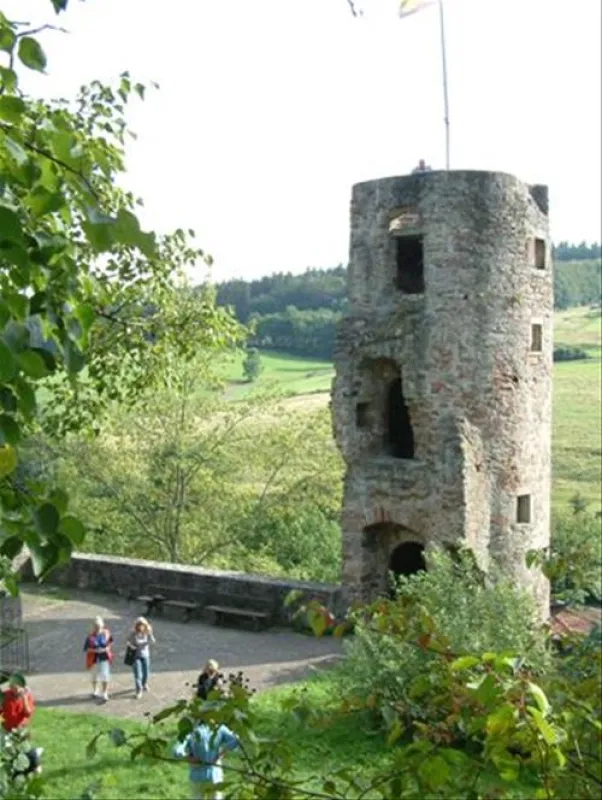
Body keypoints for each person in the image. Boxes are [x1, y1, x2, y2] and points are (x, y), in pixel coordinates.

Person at [173, 720, 238, 800]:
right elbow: (235, 740)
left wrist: (188, 757)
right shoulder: (219, 728)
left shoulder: (190, 730)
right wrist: (221, 752)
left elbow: (176, 751)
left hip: (197, 775)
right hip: (215, 775)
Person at [0, 673, 43, 776]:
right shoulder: (6, 696)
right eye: (12, 687)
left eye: (17, 687)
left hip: (20, 730)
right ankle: (14, 773)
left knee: (26, 749)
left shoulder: (26, 697)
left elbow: (27, 713)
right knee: (9, 752)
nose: (15, 690)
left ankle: (36, 765)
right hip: (7, 729)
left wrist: (24, 699)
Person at [83, 616, 113, 702]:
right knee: (94, 676)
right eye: (96, 626)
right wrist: (95, 650)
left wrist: (107, 648)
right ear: (93, 626)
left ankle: (105, 693)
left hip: (104, 658)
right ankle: (95, 690)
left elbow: (110, 643)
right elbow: (86, 649)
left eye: (99, 626)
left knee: (105, 675)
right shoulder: (90, 636)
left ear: (102, 625)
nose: (98, 628)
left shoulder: (106, 633)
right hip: (94, 659)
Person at [126, 616, 156, 699]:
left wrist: (151, 634)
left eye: (142, 625)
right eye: (139, 625)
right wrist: (131, 646)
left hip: (145, 655)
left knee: (146, 673)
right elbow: (127, 642)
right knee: (138, 675)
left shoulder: (147, 632)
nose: (140, 627)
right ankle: (139, 690)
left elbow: (153, 641)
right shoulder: (133, 633)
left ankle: (144, 684)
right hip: (135, 656)